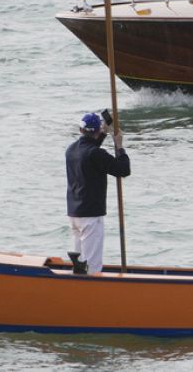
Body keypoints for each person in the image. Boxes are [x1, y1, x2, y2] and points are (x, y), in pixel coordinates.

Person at [65, 110, 130, 275]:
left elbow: (91, 150)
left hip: (74, 214)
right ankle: (91, 291)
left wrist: (104, 134)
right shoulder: (95, 153)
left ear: (81, 130)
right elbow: (123, 169)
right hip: (91, 217)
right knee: (92, 266)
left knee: (80, 263)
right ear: (97, 131)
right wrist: (120, 147)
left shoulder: (71, 150)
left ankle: (78, 287)